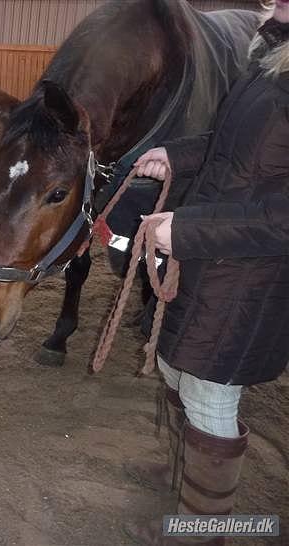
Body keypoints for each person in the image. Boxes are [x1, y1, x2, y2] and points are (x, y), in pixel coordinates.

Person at [124, 1, 289, 544]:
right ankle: (187, 477)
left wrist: (188, 231)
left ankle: (204, 527)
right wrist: (177, 155)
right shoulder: (269, 58)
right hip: (211, 258)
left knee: (210, 391)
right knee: (177, 369)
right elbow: (226, 148)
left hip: (251, 276)